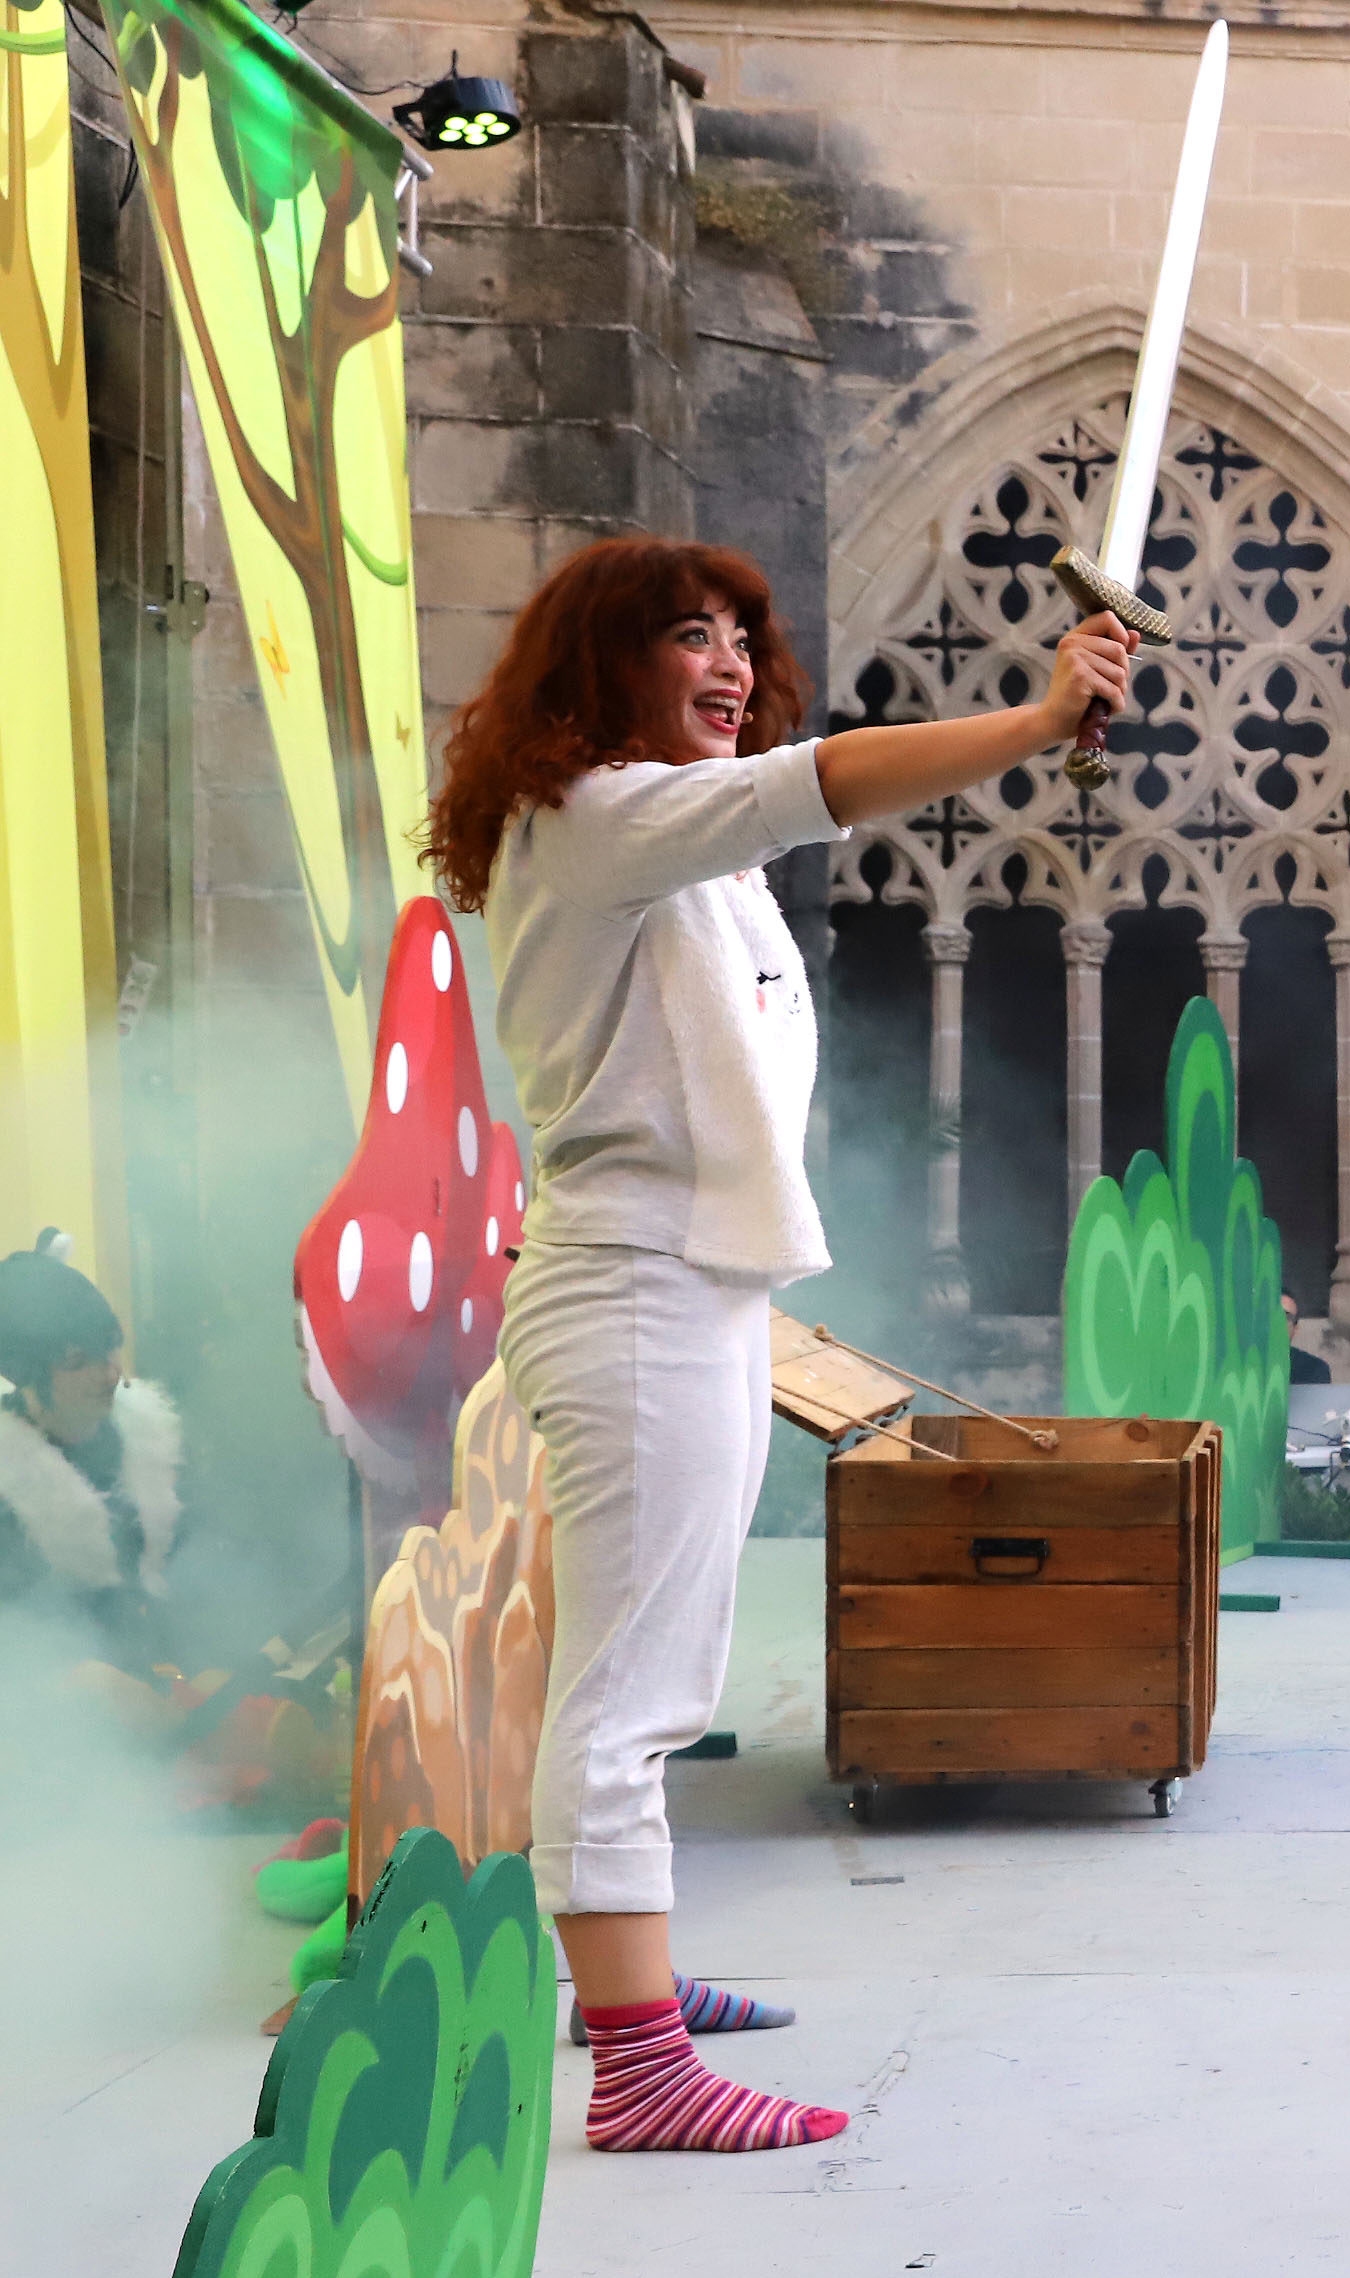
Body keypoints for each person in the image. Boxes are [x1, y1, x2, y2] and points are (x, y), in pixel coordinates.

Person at [430, 534, 1135, 2153]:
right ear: (604, 665)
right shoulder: (605, 819)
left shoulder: (679, 850)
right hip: (633, 1289)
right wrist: (1034, 719)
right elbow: (828, 782)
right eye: (693, 635)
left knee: (650, 1673)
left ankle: (639, 1990)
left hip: (693, 1285)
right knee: (628, 1691)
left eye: (745, 636)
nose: (734, 663)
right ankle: (642, 2070)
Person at [0, 1243, 184, 1692]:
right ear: (26, 1375)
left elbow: (206, 1570)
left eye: (110, 1350)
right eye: (77, 1362)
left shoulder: (154, 1442)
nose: (108, 1375)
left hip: (174, 1691)